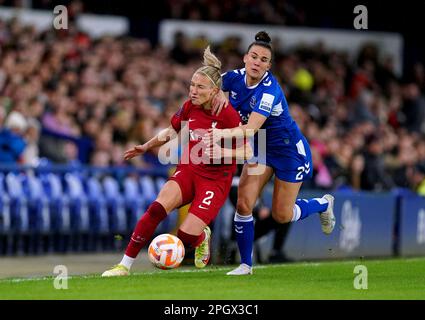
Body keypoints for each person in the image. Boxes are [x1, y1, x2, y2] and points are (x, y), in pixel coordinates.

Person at [102, 46, 251, 276]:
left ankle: (201, 236)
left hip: (214, 181)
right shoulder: (190, 106)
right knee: (156, 210)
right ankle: (124, 265)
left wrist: (221, 153)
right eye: (192, 85)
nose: (193, 90)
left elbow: (247, 153)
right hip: (189, 170)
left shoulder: (228, 114)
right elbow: (172, 131)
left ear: (214, 91)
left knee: (185, 236)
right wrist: (147, 146)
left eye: (200, 87)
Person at [205, 31, 336, 275]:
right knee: (244, 203)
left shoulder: (269, 90)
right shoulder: (233, 78)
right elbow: (208, 85)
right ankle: (246, 265)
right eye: (253, 56)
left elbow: (251, 128)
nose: (257, 62)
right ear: (245, 58)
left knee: (281, 214)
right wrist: (207, 72)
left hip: (287, 151)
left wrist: (219, 135)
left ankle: (321, 204)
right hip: (261, 148)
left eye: (263, 60)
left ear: (268, 65)